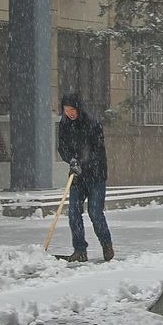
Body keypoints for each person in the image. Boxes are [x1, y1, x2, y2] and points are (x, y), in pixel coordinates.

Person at [57, 92, 113, 262]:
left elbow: (97, 150)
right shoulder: (64, 124)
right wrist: (71, 160)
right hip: (77, 177)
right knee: (74, 213)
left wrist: (83, 162)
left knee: (95, 213)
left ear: (78, 108)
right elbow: (62, 147)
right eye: (66, 110)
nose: (69, 113)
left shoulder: (92, 123)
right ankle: (80, 250)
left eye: (72, 109)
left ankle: (106, 243)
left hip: (96, 176)